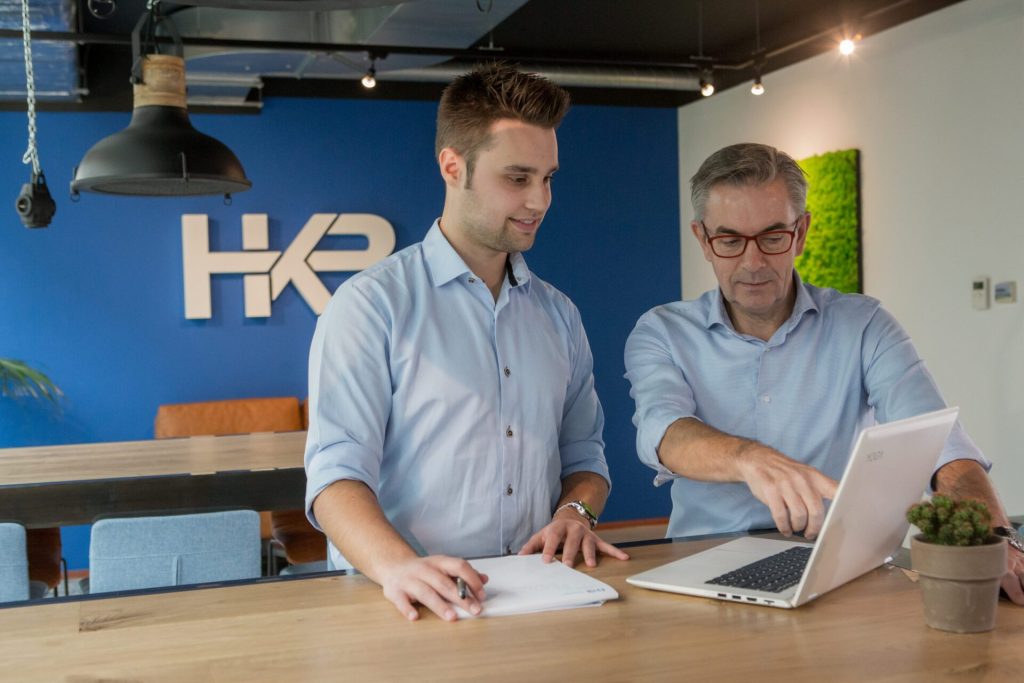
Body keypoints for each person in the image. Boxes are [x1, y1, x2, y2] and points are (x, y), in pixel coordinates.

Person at [624, 142, 1024, 603]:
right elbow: (663, 430)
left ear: (801, 233)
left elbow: (938, 439)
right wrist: (750, 458)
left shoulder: (865, 324)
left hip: (836, 565)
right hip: (703, 561)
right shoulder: (662, 331)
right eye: (730, 241)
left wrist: (997, 534)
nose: (752, 263)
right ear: (702, 239)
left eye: (773, 237)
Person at [304, 63, 628, 623]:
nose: (540, 201)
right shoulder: (371, 306)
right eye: (518, 178)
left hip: (539, 600)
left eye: (548, 178)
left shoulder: (560, 316)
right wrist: (399, 566)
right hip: (402, 603)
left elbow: (585, 456)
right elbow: (335, 477)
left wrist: (576, 513)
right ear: (453, 167)